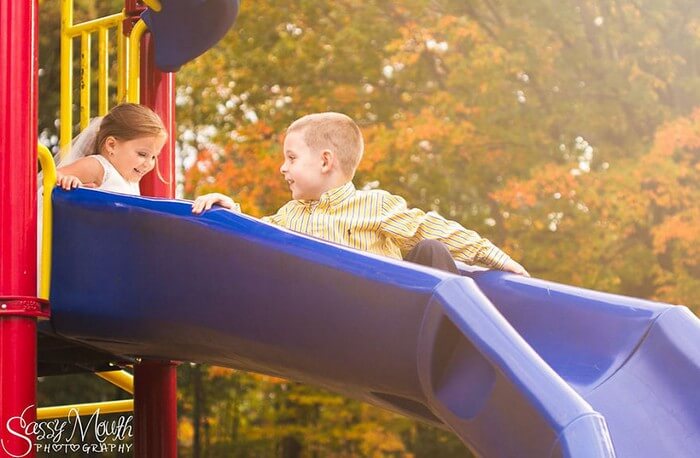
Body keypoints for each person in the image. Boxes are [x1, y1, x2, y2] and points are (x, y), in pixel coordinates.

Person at [192, 112, 528, 276]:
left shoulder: (374, 205)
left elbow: (432, 228)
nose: (282, 167)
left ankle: (453, 342)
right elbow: (255, 236)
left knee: (430, 249)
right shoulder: (288, 217)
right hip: (328, 317)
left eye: (291, 158)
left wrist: (495, 258)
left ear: (326, 161)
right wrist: (230, 212)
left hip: (386, 314)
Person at [52, 103, 168, 195]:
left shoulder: (131, 182)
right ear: (112, 145)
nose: (148, 163)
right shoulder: (98, 166)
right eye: (142, 154)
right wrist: (67, 180)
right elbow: (51, 176)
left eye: (153, 157)